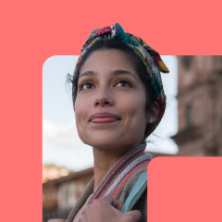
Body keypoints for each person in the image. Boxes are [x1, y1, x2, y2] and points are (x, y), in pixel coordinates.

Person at [48, 23, 169, 222]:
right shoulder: (86, 206)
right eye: (88, 85)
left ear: (153, 110)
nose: (101, 97)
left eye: (122, 83)